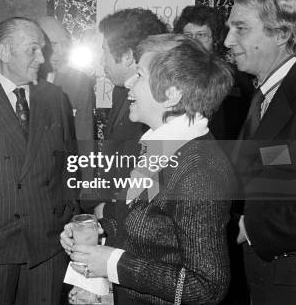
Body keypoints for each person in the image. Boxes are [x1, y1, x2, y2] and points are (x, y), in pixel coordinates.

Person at [62, 34, 235, 304]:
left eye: (140, 75)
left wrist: (113, 264)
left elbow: (205, 287)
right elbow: (144, 224)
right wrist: (96, 231)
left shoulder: (200, 171)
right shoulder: (161, 146)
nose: (129, 82)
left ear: (171, 95)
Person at [0, 17, 77, 304]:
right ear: (4, 52)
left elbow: (69, 165)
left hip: (48, 240)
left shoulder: (55, 98)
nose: (42, 59)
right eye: (33, 50)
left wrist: (71, 219)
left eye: (42, 49)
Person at [226, 0, 296, 304]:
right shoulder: (263, 94)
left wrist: (253, 227)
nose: (228, 40)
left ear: (282, 33)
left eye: (240, 29)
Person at [82, 9, 167, 215]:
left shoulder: (160, 103)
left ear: (128, 56)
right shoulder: (120, 92)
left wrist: (109, 211)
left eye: (105, 51)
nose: (103, 61)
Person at [174, 5, 253, 140]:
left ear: (216, 39)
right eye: (188, 35)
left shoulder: (233, 78)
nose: (194, 41)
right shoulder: (172, 73)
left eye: (201, 35)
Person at [37, 16, 96, 143]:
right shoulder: (22, 79)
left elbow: (85, 138)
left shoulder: (79, 82)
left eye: (63, 44)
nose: (60, 52)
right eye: (52, 45)